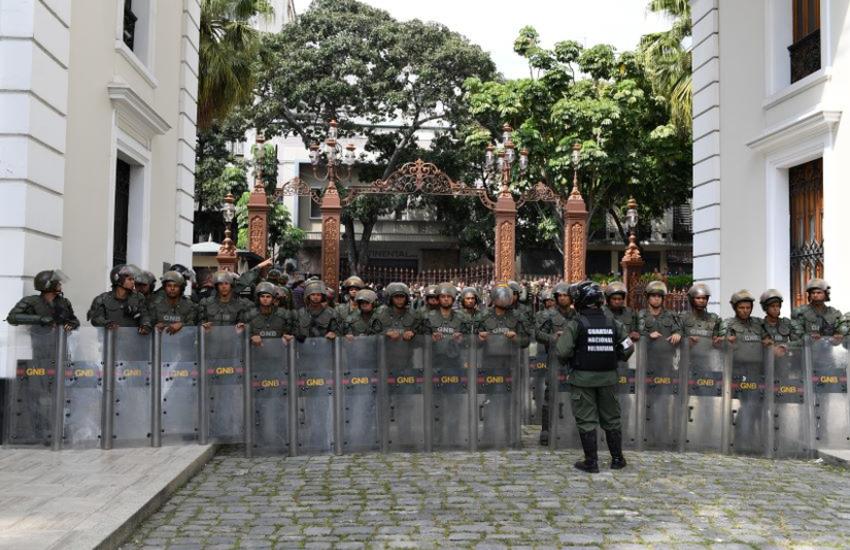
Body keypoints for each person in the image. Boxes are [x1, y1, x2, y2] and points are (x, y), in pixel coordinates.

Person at [555, 280, 634, 473]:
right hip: (608, 379)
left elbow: (562, 351)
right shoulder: (613, 323)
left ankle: (591, 462)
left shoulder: (576, 324)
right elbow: (629, 346)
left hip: (582, 380)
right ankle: (617, 459)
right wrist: (616, 357)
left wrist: (570, 359)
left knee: (586, 419)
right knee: (612, 418)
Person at [535, 281, 574, 446]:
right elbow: (537, 333)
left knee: (576, 393)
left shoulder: (577, 315)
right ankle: (546, 430)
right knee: (550, 393)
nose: (563, 298)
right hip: (555, 358)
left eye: (566, 295)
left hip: (574, 359)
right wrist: (552, 337)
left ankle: (574, 428)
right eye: (561, 296)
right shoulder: (548, 315)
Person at [6, 269, 80, 331]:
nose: (60, 284)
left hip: (61, 344)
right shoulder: (30, 301)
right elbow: (12, 318)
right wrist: (40, 319)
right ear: (48, 285)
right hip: (40, 343)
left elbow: (73, 319)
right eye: (57, 283)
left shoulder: (64, 302)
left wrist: (73, 324)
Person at [87, 264, 151, 333]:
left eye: (133, 279)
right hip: (109, 340)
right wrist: (107, 323)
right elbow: (96, 319)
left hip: (132, 340)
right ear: (118, 279)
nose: (133, 282)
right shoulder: (103, 299)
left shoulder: (138, 298)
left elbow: (145, 315)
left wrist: (145, 325)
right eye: (129, 279)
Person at [792, 278, 846, 345]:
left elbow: (842, 333)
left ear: (826, 294)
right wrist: (809, 338)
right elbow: (796, 337)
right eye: (813, 293)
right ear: (809, 295)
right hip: (806, 352)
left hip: (828, 352)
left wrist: (838, 336)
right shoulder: (800, 312)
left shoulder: (834, 313)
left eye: (819, 292)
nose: (815, 295)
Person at [248, 282, 293, 346]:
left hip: (278, 351)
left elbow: (290, 332)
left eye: (268, 296)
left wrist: (287, 336)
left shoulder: (283, 315)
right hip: (257, 352)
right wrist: (251, 337)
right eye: (262, 296)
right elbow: (244, 335)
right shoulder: (250, 315)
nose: (265, 299)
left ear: (273, 299)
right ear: (258, 298)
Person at [679, 283, 723, 348]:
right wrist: (686, 341)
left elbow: (719, 340)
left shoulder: (714, 318)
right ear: (692, 299)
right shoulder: (683, 317)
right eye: (698, 298)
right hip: (688, 356)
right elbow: (675, 339)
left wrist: (720, 340)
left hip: (707, 356)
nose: (701, 301)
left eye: (704, 298)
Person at [638, 281, 682, 345]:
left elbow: (679, 329)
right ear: (648, 298)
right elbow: (637, 332)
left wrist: (678, 334)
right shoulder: (641, 314)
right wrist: (649, 335)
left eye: (659, 296)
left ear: (662, 298)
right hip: (648, 352)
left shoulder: (671, 314)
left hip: (668, 352)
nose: (657, 299)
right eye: (653, 296)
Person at [759, 289, 801, 356]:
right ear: (765, 308)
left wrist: (784, 346)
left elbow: (799, 342)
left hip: (784, 361)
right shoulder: (759, 325)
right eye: (772, 306)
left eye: (778, 306)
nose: (776, 309)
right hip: (765, 362)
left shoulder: (787, 323)